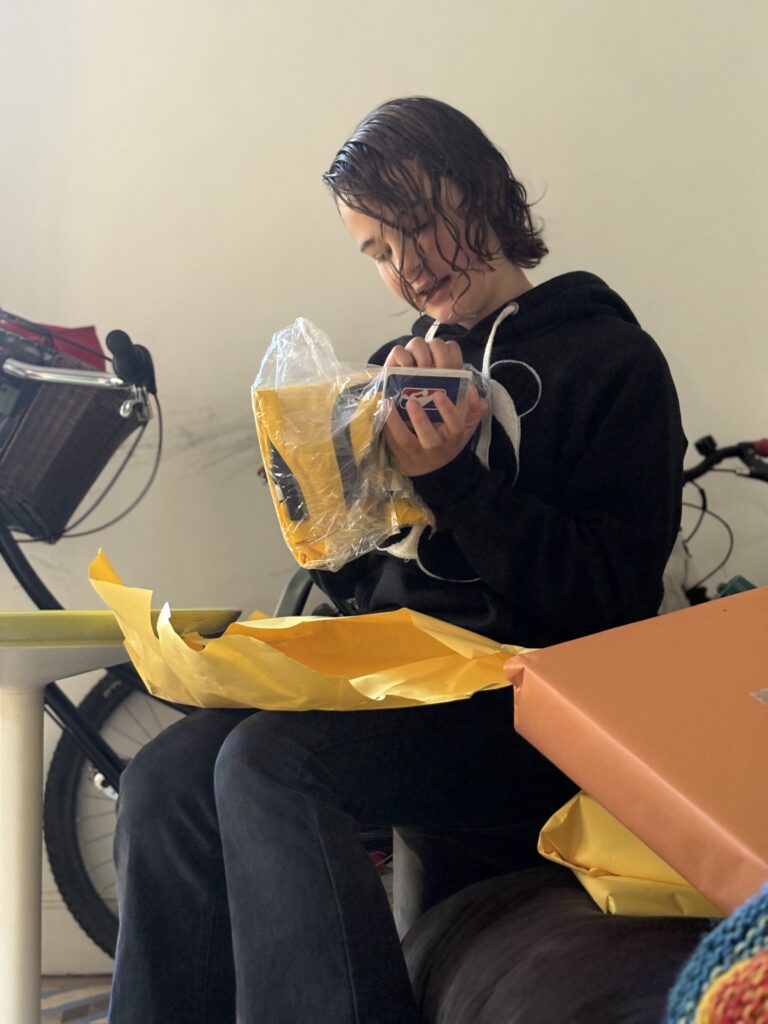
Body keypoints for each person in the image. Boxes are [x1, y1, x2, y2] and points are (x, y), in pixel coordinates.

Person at [108, 97, 686, 1024]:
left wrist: (456, 478)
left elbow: (604, 600)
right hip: (404, 690)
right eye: (376, 250)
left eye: (415, 224)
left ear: (484, 191)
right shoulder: (394, 370)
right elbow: (370, 592)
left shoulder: (612, 360)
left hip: (538, 713)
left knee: (270, 764)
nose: (406, 267)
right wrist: (322, 510)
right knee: (163, 780)